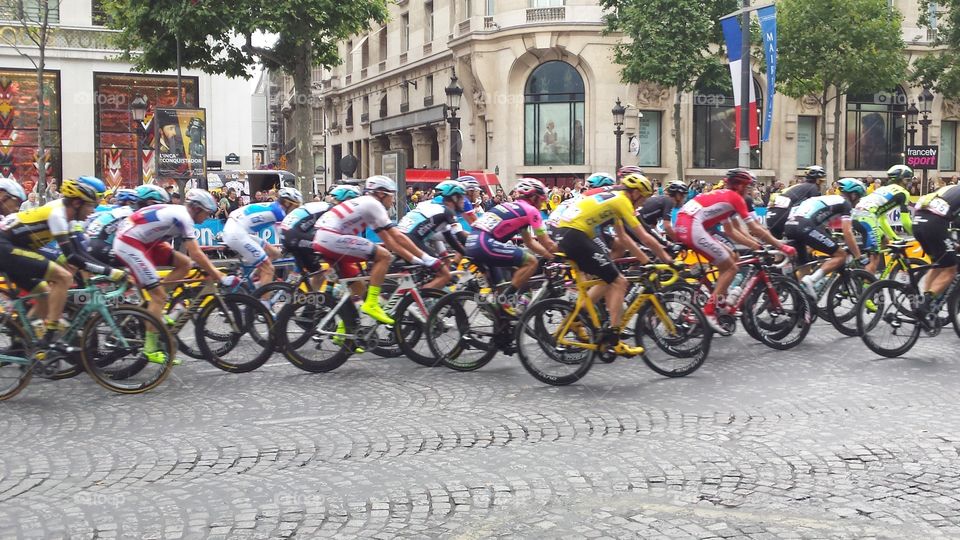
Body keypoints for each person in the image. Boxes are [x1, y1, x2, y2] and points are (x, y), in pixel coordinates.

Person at [0, 176, 126, 349]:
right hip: (5, 247)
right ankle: (51, 335)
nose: (93, 211)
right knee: (63, 277)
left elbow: (80, 252)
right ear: (76, 204)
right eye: (90, 205)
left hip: (14, 247)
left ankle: (21, 341)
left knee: (45, 295)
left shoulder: (68, 217)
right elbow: (72, 257)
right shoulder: (57, 214)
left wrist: (108, 270)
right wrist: (110, 272)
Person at [555, 173, 673, 354]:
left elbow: (624, 238)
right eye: (643, 198)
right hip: (575, 234)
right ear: (635, 193)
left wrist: (646, 261)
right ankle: (614, 338)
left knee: (606, 279)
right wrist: (668, 260)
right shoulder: (622, 201)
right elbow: (644, 237)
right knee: (620, 281)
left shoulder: (616, 201)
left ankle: (577, 317)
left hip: (571, 232)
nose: (643, 203)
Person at [113, 189, 234, 362]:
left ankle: (156, 307)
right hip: (129, 243)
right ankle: (150, 347)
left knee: (184, 264)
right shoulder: (184, 217)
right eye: (207, 213)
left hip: (143, 240)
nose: (207, 218)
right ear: (197, 208)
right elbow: (197, 254)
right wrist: (218, 275)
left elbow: (191, 257)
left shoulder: (181, 213)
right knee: (159, 296)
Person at [674, 169, 796, 333]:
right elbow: (755, 228)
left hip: (686, 226)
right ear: (739, 186)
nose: (749, 190)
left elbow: (731, 231)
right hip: (692, 228)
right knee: (731, 267)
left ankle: (720, 301)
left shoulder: (725, 197)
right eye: (748, 186)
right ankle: (709, 311)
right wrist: (781, 246)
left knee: (732, 258)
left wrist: (756, 245)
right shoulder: (735, 198)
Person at [313, 175, 441, 325]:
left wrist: (415, 260)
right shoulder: (373, 204)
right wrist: (427, 259)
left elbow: (390, 242)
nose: (393, 200)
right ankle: (372, 303)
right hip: (332, 238)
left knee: (358, 288)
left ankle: (346, 333)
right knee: (384, 256)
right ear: (381, 194)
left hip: (324, 239)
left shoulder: (367, 205)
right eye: (391, 195)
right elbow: (397, 236)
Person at [464, 178, 557, 314]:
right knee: (531, 262)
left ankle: (500, 322)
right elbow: (546, 242)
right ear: (534, 197)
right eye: (542, 199)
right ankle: (498, 299)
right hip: (484, 244)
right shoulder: (531, 210)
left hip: (474, 243)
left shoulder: (512, 206)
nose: (543, 203)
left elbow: (530, 242)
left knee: (503, 288)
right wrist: (559, 257)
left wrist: (550, 256)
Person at [784, 179, 867, 296]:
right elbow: (847, 232)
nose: (858, 201)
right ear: (853, 195)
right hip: (804, 225)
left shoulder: (828, 199)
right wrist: (858, 256)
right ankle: (811, 280)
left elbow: (820, 229)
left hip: (791, 225)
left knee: (805, 269)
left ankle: (803, 306)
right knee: (841, 255)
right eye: (859, 197)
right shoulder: (845, 203)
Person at [223, 187, 303, 290]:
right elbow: (287, 235)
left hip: (237, 228)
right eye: (295, 206)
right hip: (237, 233)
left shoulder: (275, 206)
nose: (295, 210)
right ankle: (262, 303)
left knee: (275, 253)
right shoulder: (280, 213)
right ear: (287, 203)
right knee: (269, 269)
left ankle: (255, 277)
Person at [280, 185, 357, 292]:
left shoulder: (327, 206)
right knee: (333, 253)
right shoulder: (334, 210)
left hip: (289, 233)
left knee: (319, 273)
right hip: (295, 234)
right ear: (347, 200)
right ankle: (330, 291)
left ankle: (308, 302)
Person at [397, 180, 465, 289]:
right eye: (461, 197)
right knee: (445, 275)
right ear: (454, 198)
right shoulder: (446, 211)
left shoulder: (434, 207)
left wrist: (465, 253)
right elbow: (460, 237)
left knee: (429, 275)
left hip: (401, 236)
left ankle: (411, 298)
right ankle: (417, 302)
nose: (464, 201)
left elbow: (450, 239)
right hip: (412, 240)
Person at [87, 185, 170, 268]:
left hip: (95, 242)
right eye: (160, 206)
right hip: (100, 245)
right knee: (140, 269)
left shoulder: (129, 210)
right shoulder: (136, 215)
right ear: (150, 203)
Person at [852, 164, 914, 274]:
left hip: (857, 215)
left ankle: (870, 273)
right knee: (874, 258)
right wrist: (916, 234)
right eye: (908, 180)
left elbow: (881, 219)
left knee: (885, 241)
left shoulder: (884, 189)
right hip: (868, 218)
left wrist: (894, 237)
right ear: (902, 180)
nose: (909, 183)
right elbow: (905, 221)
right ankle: (868, 288)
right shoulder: (903, 193)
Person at [913, 184, 960, 320]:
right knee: (950, 269)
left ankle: (925, 302)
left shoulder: (951, 188)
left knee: (938, 264)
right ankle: (926, 303)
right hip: (934, 224)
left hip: (917, 222)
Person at [765, 165, 825, 239]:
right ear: (817, 180)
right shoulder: (813, 188)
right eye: (821, 181)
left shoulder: (799, 186)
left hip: (772, 214)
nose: (822, 184)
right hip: (782, 215)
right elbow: (815, 210)